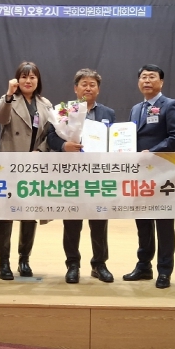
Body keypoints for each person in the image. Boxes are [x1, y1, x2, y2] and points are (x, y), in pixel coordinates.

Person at [46, 69, 116, 284]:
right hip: (72, 176)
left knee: (99, 222)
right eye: (84, 84)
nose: (88, 88)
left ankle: (99, 264)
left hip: (98, 177)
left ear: (98, 89)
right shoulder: (63, 111)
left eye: (92, 84)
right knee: (71, 223)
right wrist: (63, 145)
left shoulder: (108, 113)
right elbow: (50, 137)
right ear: (75, 88)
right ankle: (72, 264)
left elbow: (114, 140)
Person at [123, 64, 175, 289]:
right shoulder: (135, 109)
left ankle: (165, 271)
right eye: (143, 77)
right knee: (142, 223)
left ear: (161, 82)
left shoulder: (170, 105)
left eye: (152, 77)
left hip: (162, 175)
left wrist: (153, 152)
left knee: (164, 224)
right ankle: (144, 266)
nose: (147, 81)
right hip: (140, 176)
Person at [0, 61, 53, 280]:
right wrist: (9, 95)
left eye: (32, 77)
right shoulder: (8, 99)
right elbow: (0, 119)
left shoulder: (45, 104)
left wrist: (41, 150)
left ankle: (24, 260)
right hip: (10, 163)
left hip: (34, 165)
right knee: (5, 214)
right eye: (24, 77)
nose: (28, 81)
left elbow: (51, 133)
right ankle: (3, 263)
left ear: (38, 80)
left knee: (29, 213)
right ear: (17, 80)